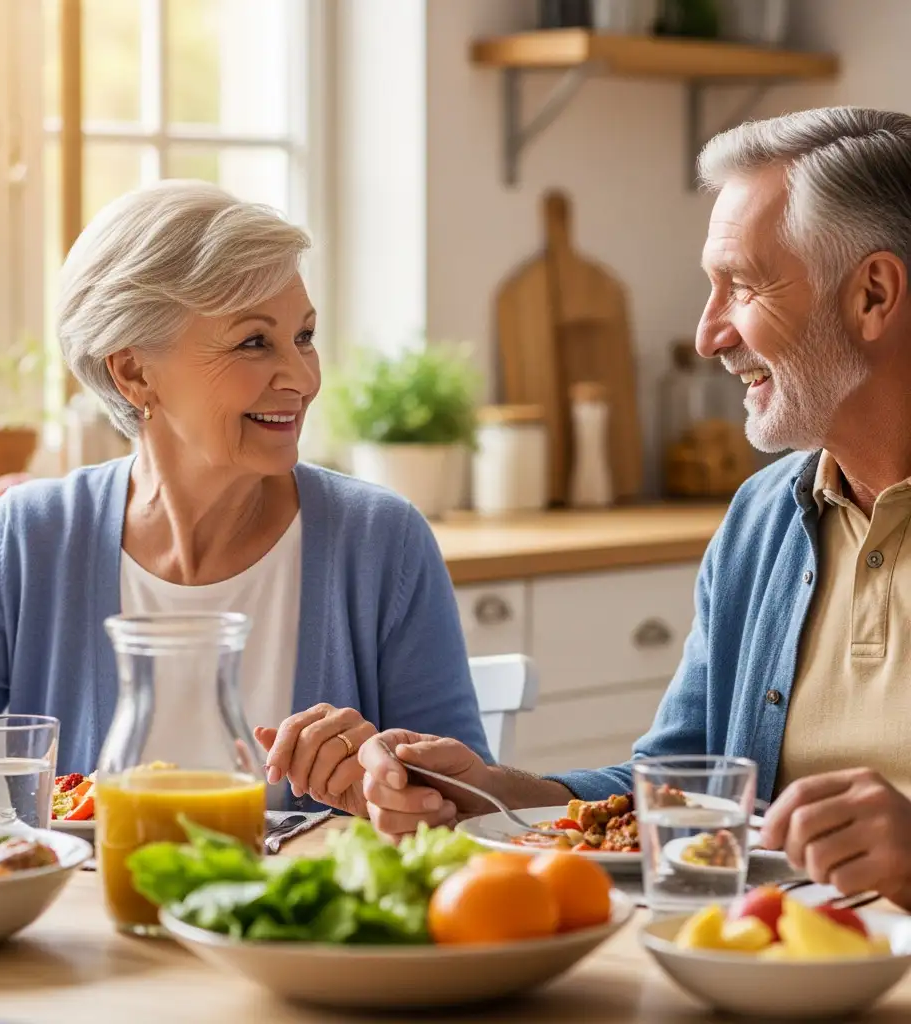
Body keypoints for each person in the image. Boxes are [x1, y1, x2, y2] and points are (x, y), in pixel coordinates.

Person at [360, 106, 911, 910]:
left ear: (873, 294)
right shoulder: (765, 519)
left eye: (744, 285)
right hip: (764, 969)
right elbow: (673, 789)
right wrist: (491, 791)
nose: (706, 333)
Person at [0, 180, 490, 812]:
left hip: (297, 913)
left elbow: (470, 802)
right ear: (134, 372)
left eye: (304, 337)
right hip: (83, 913)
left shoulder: (379, 540)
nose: (304, 378)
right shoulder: (30, 537)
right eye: (255, 342)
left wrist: (394, 786)